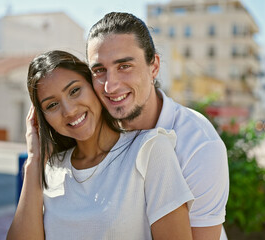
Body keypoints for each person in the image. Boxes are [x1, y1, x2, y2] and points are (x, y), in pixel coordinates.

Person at [6, 50, 194, 240]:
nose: (69, 111)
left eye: (74, 90)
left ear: (94, 86)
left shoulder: (149, 149)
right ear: (42, 119)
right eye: (52, 105)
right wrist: (34, 161)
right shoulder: (51, 168)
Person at [86, 12, 229, 240]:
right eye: (99, 70)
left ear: (154, 66)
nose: (110, 86)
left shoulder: (199, 144)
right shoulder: (91, 134)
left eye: (124, 66)